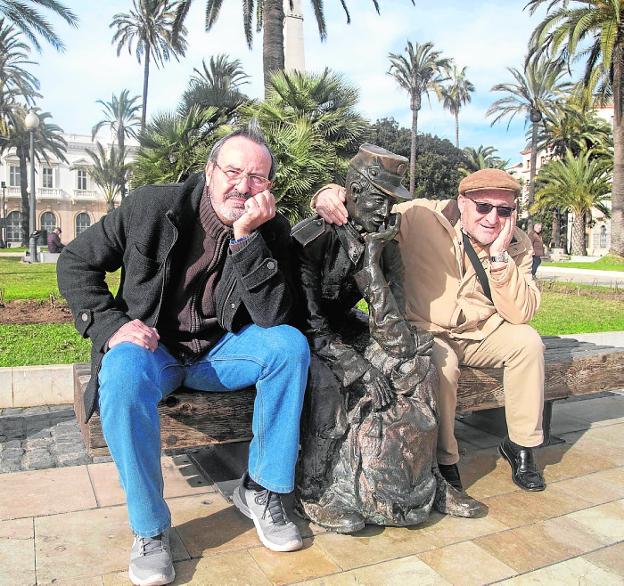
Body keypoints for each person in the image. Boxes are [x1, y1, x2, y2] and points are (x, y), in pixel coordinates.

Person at [57, 125, 310, 586]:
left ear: (268, 186)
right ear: (210, 172)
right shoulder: (152, 207)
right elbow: (75, 262)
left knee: (288, 346)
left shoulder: (271, 229)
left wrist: (247, 239)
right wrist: (112, 326)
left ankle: (262, 491)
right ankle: (150, 530)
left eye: (258, 178)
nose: (244, 186)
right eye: (233, 172)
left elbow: (274, 315)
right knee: (122, 373)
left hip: (222, 353)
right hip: (157, 350)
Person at [314, 168, 546, 500]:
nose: (493, 218)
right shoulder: (422, 216)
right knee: (443, 363)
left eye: (504, 210)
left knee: (528, 342)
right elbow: (367, 205)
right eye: (483, 207)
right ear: (463, 203)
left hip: (483, 333)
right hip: (428, 330)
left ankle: (522, 446)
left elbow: (521, 313)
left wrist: (498, 257)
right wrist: (329, 191)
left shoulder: (517, 244)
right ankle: (445, 459)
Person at [293, 144, 483, 534]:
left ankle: (428, 481)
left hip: (344, 327)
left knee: (417, 363)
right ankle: (312, 488)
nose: (384, 213)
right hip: (302, 334)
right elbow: (308, 323)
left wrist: (373, 267)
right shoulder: (311, 240)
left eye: (391, 204)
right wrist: (357, 366)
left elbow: (394, 334)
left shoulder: (385, 241)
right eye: (378, 201)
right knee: (328, 382)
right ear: (354, 192)